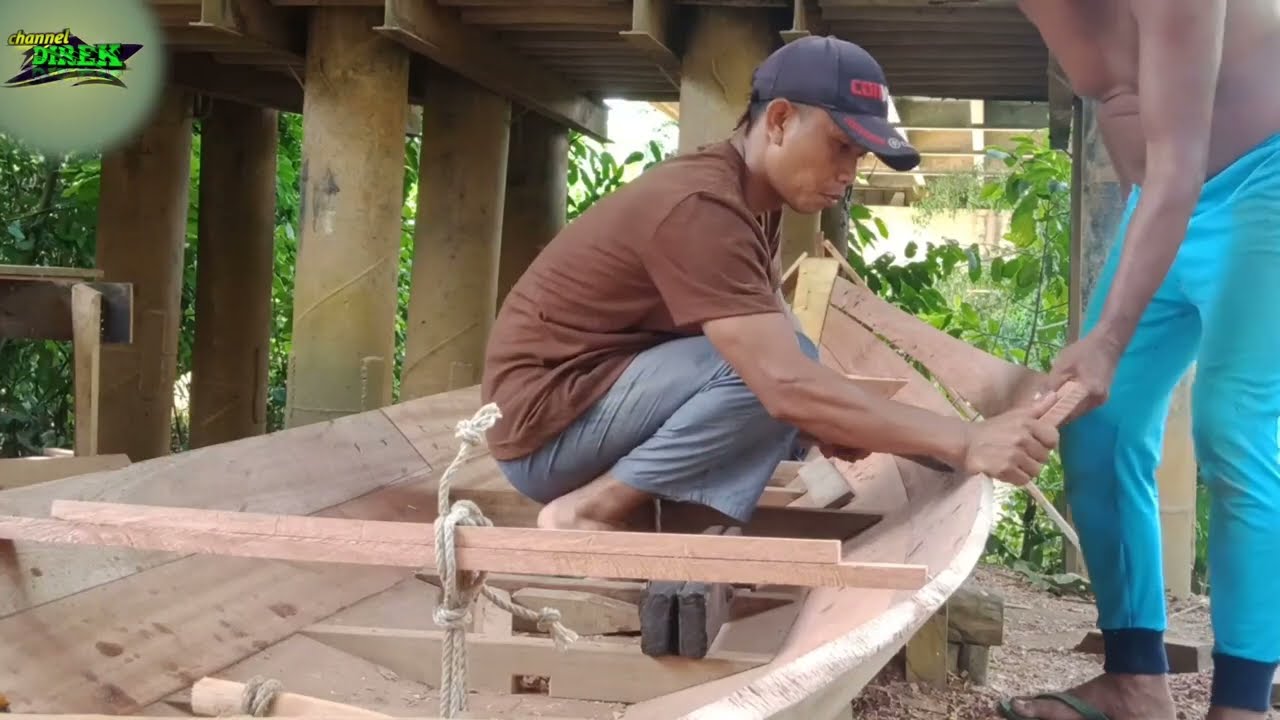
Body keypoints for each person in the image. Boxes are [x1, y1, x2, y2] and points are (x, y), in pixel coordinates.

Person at [479, 35, 1061, 536]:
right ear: (779, 120)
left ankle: (652, 499)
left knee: (791, 377)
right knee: (777, 373)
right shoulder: (703, 206)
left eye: (858, 157)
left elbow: (783, 362)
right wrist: (960, 440)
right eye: (839, 146)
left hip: (587, 410)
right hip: (545, 435)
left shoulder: (755, 202)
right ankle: (587, 510)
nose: (847, 174)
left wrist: (842, 424)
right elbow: (781, 380)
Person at [998, 1, 1280, 720]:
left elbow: (1180, 158)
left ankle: (1241, 706)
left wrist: (1112, 338)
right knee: (1098, 420)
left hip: (1264, 180)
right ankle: (1134, 682)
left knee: (1231, 424)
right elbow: (1124, 103)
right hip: (1159, 196)